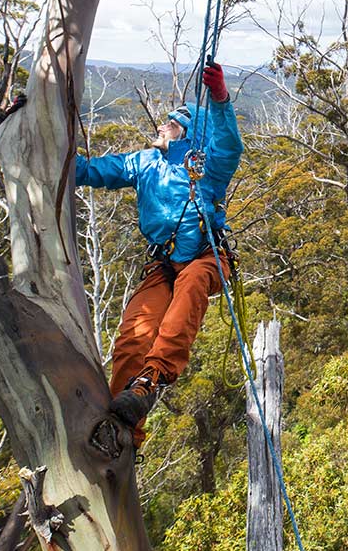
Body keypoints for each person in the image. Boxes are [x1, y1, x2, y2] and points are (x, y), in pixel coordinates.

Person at [75, 61, 241, 446]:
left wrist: (219, 99)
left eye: (172, 123)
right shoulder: (143, 162)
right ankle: (123, 430)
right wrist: (50, 148)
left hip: (205, 257)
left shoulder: (206, 167)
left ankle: (150, 380)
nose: (162, 126)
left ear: (188, 134)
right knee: (135, 335)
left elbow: (229, 144)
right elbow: (92, 171)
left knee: (194, 283)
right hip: (163, 265)